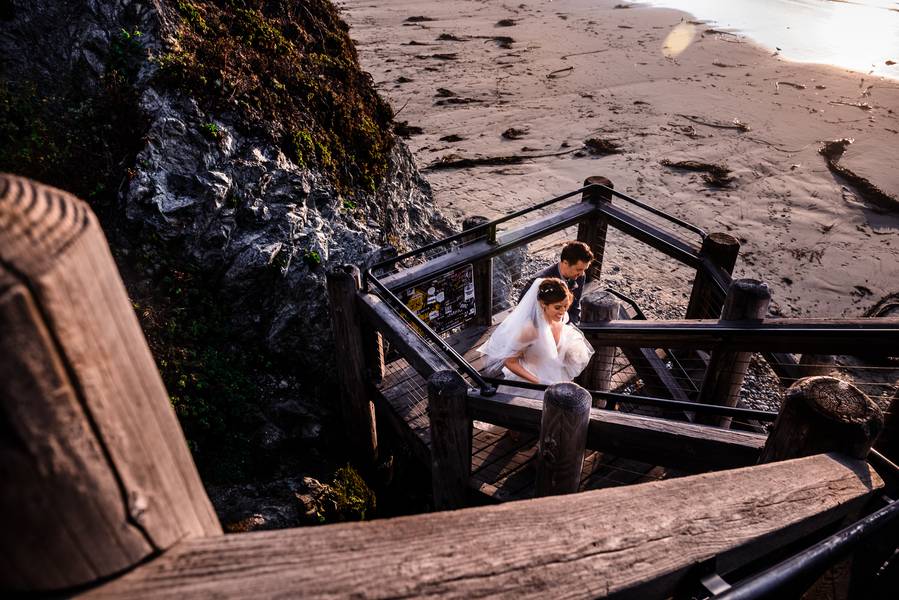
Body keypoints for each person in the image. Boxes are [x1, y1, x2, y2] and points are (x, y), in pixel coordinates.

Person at [478, 277, 594, 385]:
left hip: (557, 376)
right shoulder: (530, 330)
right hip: (534, 382)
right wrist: (540, 382)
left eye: (565, 306)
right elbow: (510, 362)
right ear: (543, 304)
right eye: (557, 307)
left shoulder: (561, 317)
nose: (563, 311)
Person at [518, 241, 594, 325]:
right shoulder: (538, 281)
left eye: (584, 269)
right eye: (578, 269)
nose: (582, 273)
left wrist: (571, 326)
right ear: (565, 263)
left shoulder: (580, 276)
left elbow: (575, 308)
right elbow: (524, 312)